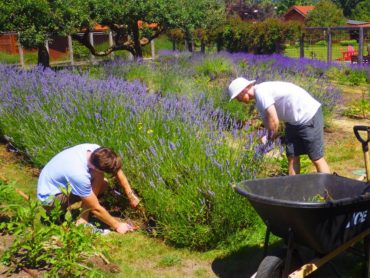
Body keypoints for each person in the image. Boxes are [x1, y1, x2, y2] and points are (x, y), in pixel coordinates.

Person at [228, 78, 330, 175]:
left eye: (237, 97)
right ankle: (293, 189)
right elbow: (268, 123)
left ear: (243, 90)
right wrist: (267, 138)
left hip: (308, 115)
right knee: (292, 157)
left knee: (316, 158)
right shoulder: (259, 101)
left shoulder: (261, 92)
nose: (238, 100)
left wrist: (269, 139)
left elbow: (274, 121)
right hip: (292, 122)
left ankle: (327, 191)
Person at [37, 143, 140, 234]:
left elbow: (117, 171)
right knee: (99, 180)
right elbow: (95, 208)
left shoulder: (96, 151)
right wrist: (117, 225)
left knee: (102, 182)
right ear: (95, 167)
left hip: (54, 186)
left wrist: (130, 196)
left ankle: (83, 217)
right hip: (50, 201)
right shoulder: (79, 174)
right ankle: (82, 221)